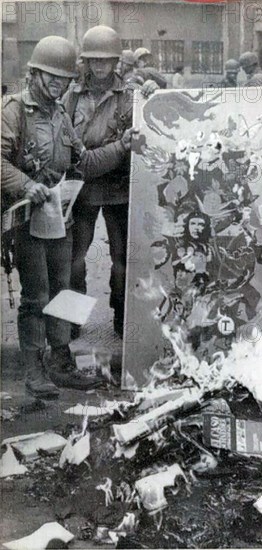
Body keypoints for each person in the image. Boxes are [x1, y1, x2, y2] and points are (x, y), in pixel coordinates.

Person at [1, 36, 136, 397]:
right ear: (34, 74)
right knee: (36, 296)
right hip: (28, 221)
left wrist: (121, 147)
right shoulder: (13, 110)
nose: (58, 85)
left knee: (67, 289)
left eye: (63, 79)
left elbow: (84, 163)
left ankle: (63, 364)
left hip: (61, 218)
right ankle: (34, 369)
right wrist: (26, 184)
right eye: (51, 77)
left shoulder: (60, 114)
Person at [63, 26, 141, 339]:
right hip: (82, 188)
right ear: (85, 61)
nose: (99, 67)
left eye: (106, 60)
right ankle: (70, 324)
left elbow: (139, 139)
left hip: (119, 188)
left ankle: (122, 318)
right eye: (93, 60)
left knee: (122, 260)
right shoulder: (72, 94)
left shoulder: (131, 95)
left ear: (114, 62)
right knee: (74, 260)